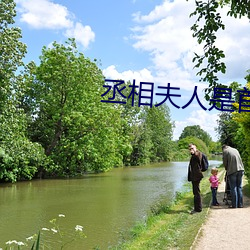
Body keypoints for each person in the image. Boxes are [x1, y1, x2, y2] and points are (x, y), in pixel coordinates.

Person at [188, 143, 204, 214]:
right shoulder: (194, 155)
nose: (191, 150)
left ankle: (198, 209)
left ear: (195, 148)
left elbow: (198, 158)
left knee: (196, 192)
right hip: (195, 176)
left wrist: (194, 152)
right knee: (196, 192)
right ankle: (197, 208)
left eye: (192, 148)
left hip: (196, 176)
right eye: (190, 149)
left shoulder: (198, 154)